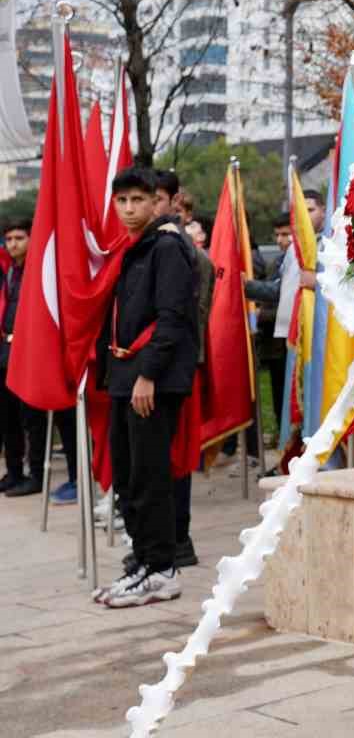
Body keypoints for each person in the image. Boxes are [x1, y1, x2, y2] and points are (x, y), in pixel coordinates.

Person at [93, 167, 200, 608]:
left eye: (139, 200)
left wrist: (148, 374)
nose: (130, 208)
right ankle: (142, 560)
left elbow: (172, 317)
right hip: (124, 376)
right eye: (123, 201)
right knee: (129, 475)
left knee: (151, 476)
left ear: (159, 201)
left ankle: (162, 569)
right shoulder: (134, 248)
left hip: (149, 381)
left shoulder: (169, 247)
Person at [152, 169, 206, 567]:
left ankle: (178, 539)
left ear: (172, 202)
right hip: (171, 364)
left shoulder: (180, 247)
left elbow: (191, 312)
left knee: (176, 456)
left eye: (153, 199)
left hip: (178, 365)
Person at [0, 219, 48, 496]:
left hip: (29, 352)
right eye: (9, 239)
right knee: (7, 418)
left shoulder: (36, 270)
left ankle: (36, 475)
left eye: (19, 238)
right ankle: (15, 471)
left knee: (31, 418)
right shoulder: (9, 271)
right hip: (6, 353)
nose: (13, 244)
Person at [244, 215, 294, 454]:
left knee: (292, 400)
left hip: (291, 339)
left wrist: (247, 286)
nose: (281, 240)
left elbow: (280, 293)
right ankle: (285, 448)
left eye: (286, 234)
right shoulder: (279, 262)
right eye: (278, 235)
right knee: (279, 401)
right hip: (274, 344)